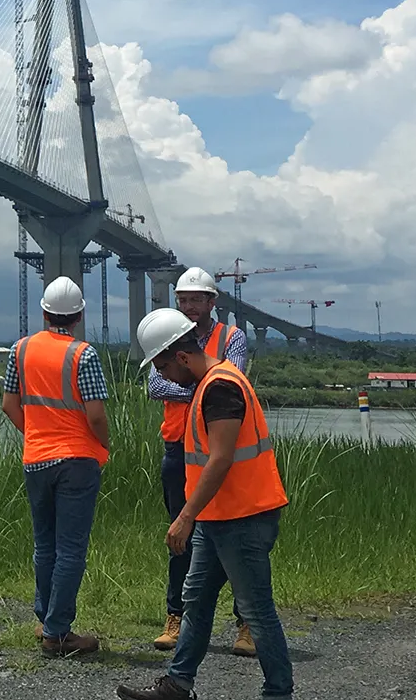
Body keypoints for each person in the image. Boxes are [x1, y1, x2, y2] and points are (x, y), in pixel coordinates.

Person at [119, 308, 291, 700]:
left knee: (257, 611)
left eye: (161, 366)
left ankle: (279, 692)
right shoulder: (208, 384)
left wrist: (184, 516)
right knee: (195, 600)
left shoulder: (220, 387)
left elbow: (221, 457)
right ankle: (178, 685)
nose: (161, 376)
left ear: (181, 356)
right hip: (219, 517)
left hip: (244, 516)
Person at [146, 267, 254, 655]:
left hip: (224, 451)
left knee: (238, 538)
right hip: (180, 451)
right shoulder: (168, 333)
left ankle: (247, 625)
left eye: (196, 299)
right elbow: (154, 385)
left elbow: (233, 380)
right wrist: (201, 386)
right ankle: (175, 617)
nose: (189, 306)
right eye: (182, 300)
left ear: (212, 301)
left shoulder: (232, 337)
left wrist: (197, 385)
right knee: (180, 536)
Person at [2, 277, 110, 656]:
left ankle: (46, 619)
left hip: (36, 459)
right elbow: (95, 414)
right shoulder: (85, 355)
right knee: (70, 549)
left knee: (44, 544)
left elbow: (9, 405)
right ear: (79, 316)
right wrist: (105, 443)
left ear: (44, 312)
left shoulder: (20, 350)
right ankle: (58, 634)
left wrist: (34, 434)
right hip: (77, 460)